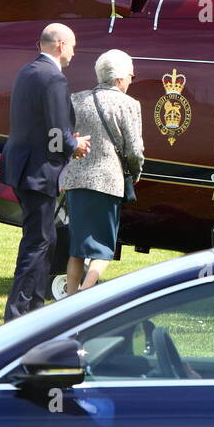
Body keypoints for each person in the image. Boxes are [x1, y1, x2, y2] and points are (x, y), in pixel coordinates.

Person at [0, 23, 90, 321]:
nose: (75, 53)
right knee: (37, 242)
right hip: (39, 170)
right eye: (73, 46)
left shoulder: (27, 71)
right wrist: (74, 144)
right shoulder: (54, 79)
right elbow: (57, 131)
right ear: (61, 45)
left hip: (22, 167)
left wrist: (66, 140)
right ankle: (16, 315)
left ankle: (34, 310)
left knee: (45, 239)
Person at [61, 49, 144, 295]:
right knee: (103, 251)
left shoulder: (76, 99)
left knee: (77, 249)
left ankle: (70, 298)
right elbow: (134, 150)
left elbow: (65, 139)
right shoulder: (129, 104)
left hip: (76, 180)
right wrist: (136, 173)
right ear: (119, 79)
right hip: (108, 182)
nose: (131, 79)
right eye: (130, 75)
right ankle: (84, 300)